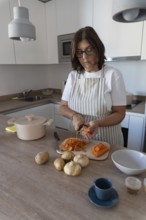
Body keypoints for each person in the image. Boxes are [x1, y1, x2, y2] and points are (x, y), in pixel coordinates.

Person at [60, 26, 126, 147]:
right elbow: (63, 107)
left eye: (89, 50)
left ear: (98, 49)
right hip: (79, 142)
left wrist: (98, 123)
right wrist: (74, 116)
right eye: (80, 52)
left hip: (107, 143)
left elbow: (120, 113)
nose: (84, 57)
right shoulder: (73, 76)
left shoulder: (112, 75)